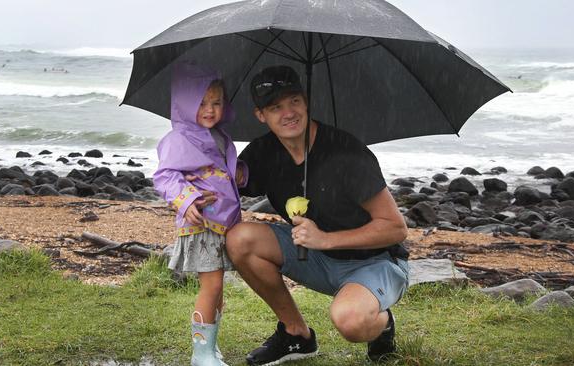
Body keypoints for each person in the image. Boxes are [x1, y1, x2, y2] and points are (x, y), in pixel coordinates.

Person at [226, 65, 410, 365]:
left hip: (375, 261)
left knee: (350, 321)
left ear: (306, 101)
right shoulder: (262, 152)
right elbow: (227, 186)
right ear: (261, 114)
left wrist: (325, 239)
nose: (288, 113)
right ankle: (296, 334)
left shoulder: (347, 153)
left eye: (294, 101)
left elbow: (396, 229)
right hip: (313, 256)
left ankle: (383, 325)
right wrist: (191, 189)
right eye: (275, 107)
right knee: (240, 239)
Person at [153, 61, 246, 366]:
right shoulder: (179, 139)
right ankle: (201, 353)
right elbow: (165, 176)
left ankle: (211, 346)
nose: (210, 109)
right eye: (201, 103)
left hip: (224, 223)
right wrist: (187, 199)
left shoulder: (220, 136)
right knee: (212, 286)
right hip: (201, 224)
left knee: (217, 289)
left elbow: (219, 171)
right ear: (184, 105)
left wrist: (240, 173)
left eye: (216, 102)